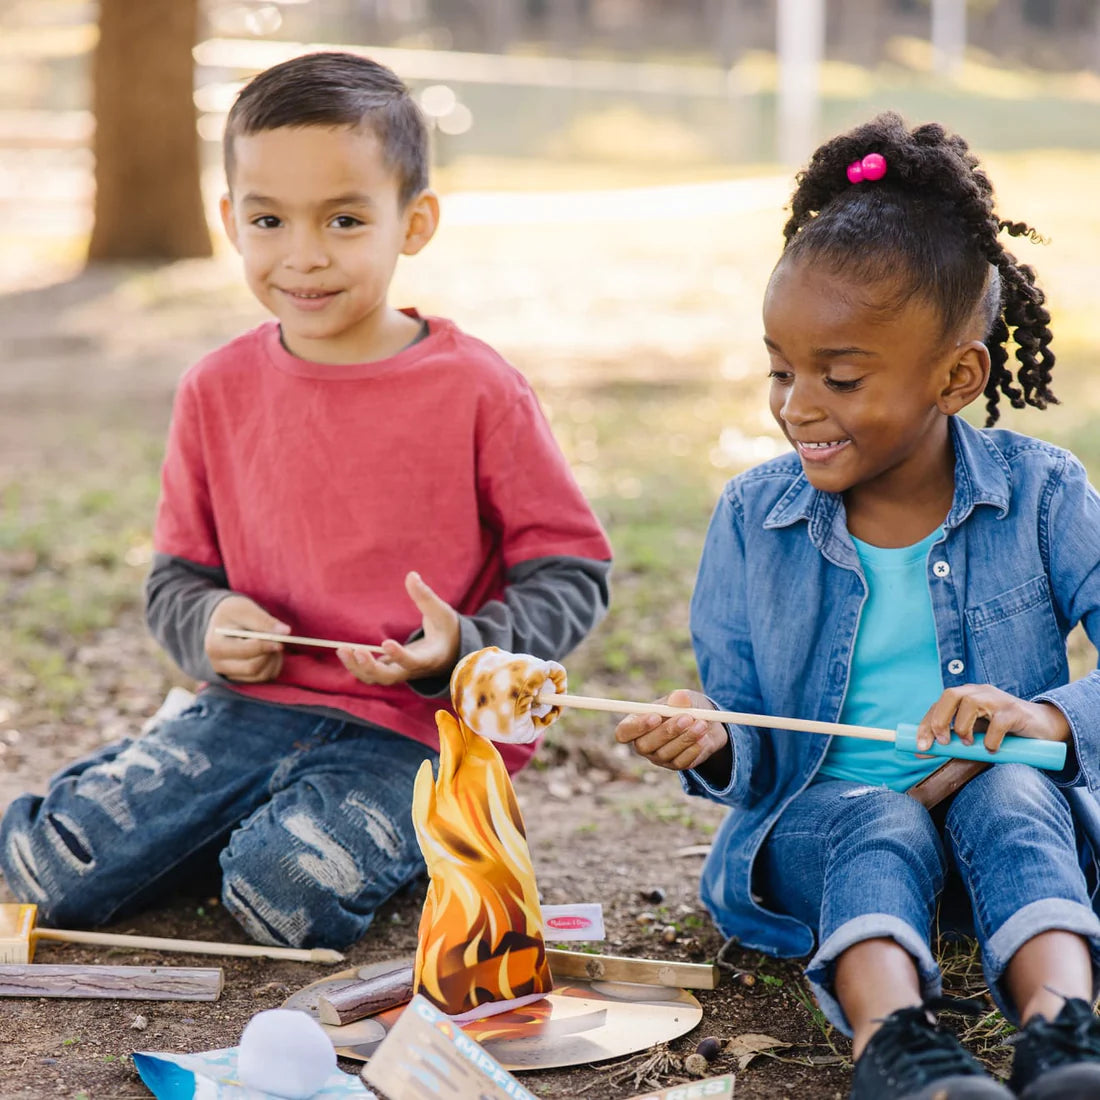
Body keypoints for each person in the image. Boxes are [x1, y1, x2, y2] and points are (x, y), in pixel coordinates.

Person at [0, 52, 611, 951]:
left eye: (345, 218)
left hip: (417, 733)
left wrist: (461, 647)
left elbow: (570, 569)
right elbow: (178, 578)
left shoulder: (478, 389)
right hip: (246, 713)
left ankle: (390, 829)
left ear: (416, 221)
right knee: (45, 871)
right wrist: (207, 621)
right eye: (269, 220)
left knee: (285, 893)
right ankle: (217, 817)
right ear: (230, 221)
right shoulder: (215, 389)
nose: (304, 254)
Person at [615, 113, 1100, 1100]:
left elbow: (1046, 738)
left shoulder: (1043, 493)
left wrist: (1041, 716)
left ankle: (1063, 1031)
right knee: (874, 816)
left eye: (837, 377)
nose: (795, 402)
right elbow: (745, 730)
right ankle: (895, 1047)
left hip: (1001, 833)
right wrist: (708, 737)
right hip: (818, 834)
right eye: (779, 369)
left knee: (1006, 788)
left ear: (955, 375)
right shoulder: (755, 516)